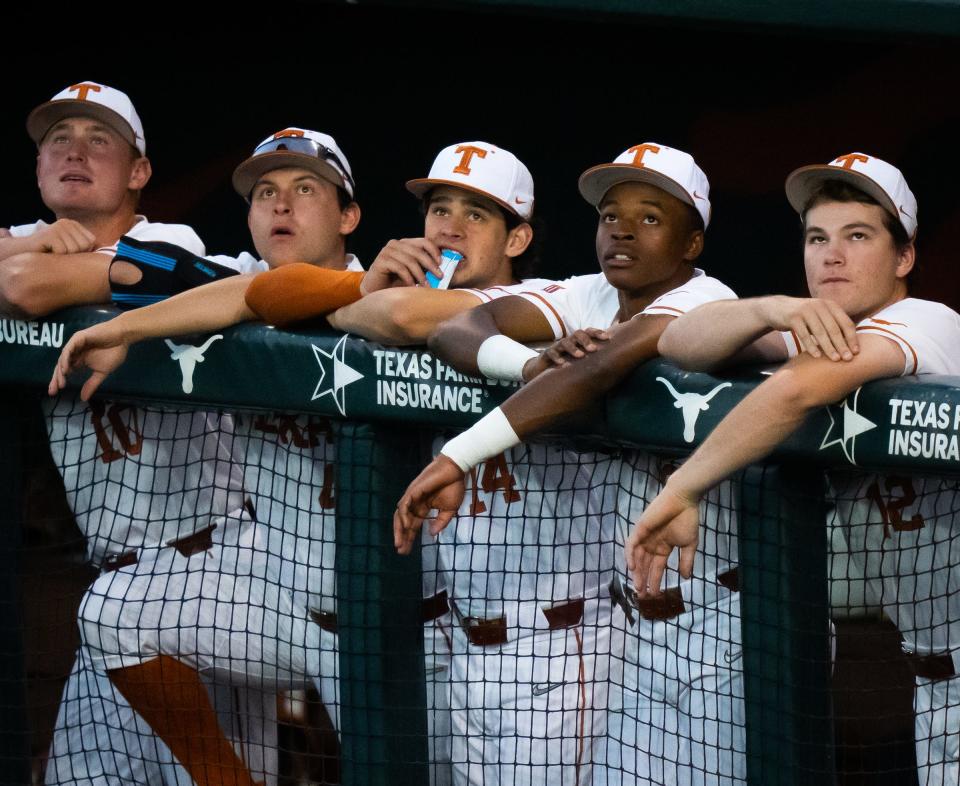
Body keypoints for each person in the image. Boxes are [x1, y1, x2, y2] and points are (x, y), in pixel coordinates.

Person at [50, 139, 549, 786]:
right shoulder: (364, 281)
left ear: (517, 238)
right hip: (291, 611)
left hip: (426, 631)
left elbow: (400, 316)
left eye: (475, 215)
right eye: (438, 208)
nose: (449, 226)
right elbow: (263, 291)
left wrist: (352, 295)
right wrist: (122, 328)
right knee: (114, 610)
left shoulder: (545, 300)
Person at [393, 144, 743, 785]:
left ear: (693, 242)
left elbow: (598, 370)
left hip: (725, 623)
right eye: (611, 214)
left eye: (651, 217)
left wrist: (457, 454)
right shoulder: (589, 297)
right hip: (639, 625)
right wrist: (530, 362)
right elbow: (458, 327)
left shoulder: (706, 298)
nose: (622, 229)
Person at [632, 153, 960, 786]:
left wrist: (684, 485)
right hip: (932, 677)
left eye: (857, 237)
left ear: (905, 258)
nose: (831, 256)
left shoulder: (931, 321)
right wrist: (772, 310)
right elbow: (677, 340)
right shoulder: (823, 327)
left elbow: (796, 392)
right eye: (817, 238)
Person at [0, 80, 267, 786]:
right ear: (35, 170)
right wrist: (25, 246)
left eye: (100, 140)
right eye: (58, 139)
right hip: (111, 591)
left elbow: (27, 291)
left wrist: (28, 256)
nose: (74, 151)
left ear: (140, 172)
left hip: (217, 573)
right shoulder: (31, 246)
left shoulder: (169, 242)